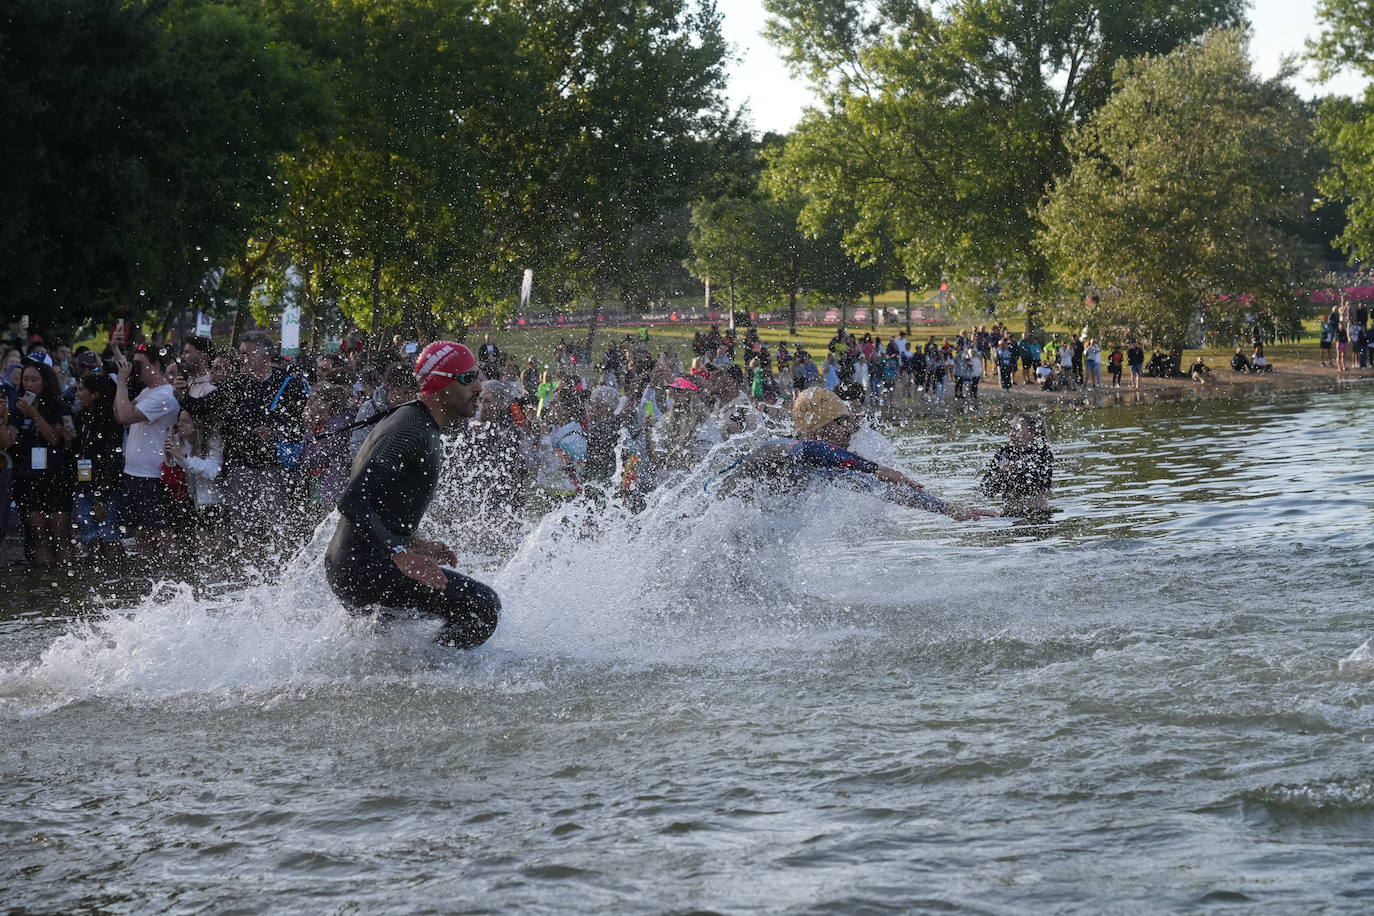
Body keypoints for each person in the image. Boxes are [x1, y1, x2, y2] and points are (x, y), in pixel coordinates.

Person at [325, 341, 500, 649]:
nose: (479, 387)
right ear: (439, 383)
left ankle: (407, 677)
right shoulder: (409, 430)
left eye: (478, 377)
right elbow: (352, 500)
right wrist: (401, 554)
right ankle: (435, 678)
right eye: (467, 378)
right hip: (363, 569)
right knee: (482, 606)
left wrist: (413, 543)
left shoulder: (420, 423)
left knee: (389, 649)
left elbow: (381, 503)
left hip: (360, 564)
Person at [717, 388, 994, 520]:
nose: (852, 431)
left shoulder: (819, 465)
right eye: (845, 424)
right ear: (823, 428)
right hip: (714, 523)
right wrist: (876, 468)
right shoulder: (782, 447)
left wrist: (946, 508)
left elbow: (883, 491)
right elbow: (810, 448)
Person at [0, 360, 75, 565]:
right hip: (27, 476)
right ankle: (43, 586)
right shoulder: (17, 406)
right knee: (38, 535)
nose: (29, 384)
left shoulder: (58, 405)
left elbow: (54, 437)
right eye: (25, 379)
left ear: (45, 381)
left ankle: (65, 582)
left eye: (34, 379)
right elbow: (8, 441)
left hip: (55, 474)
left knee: (60, 535)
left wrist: (34, 414)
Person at [114, 344, 181, 556]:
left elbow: (125, 416)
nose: (135, 368)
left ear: (156, 364)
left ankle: (172, 577)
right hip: (134, 474)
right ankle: (148, 581)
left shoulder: (165, 395)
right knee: (141, 534)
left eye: (139, 364)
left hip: (154, 476)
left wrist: (122, 382)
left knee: (162, 534)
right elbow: (117, 414)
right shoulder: (146, 392)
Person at [980, 413, 1054, 513]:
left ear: (1032, 433)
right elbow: (986, 490)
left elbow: (1041, 480)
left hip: (1038, 514)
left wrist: (1016, 468)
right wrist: (1000, 472)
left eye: (1016, 430)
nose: (1011, 433)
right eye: (1011, 429)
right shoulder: (1003, 454)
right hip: (1009, 515)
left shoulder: (1043, 453)